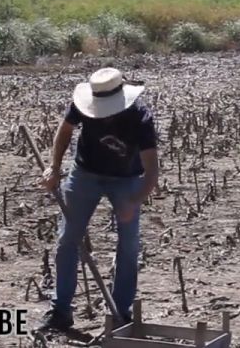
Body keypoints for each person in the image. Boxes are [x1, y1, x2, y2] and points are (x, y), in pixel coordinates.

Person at [36, 67, 159, 332]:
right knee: (68, 239)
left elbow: (152, 173)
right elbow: (65, 129)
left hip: (127, 179)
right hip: (85, 174)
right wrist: (54, 168)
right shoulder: (84, 105)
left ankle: (120, 314)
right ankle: (61, 312)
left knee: (128, 243)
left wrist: (134, 201)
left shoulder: (140, 119)